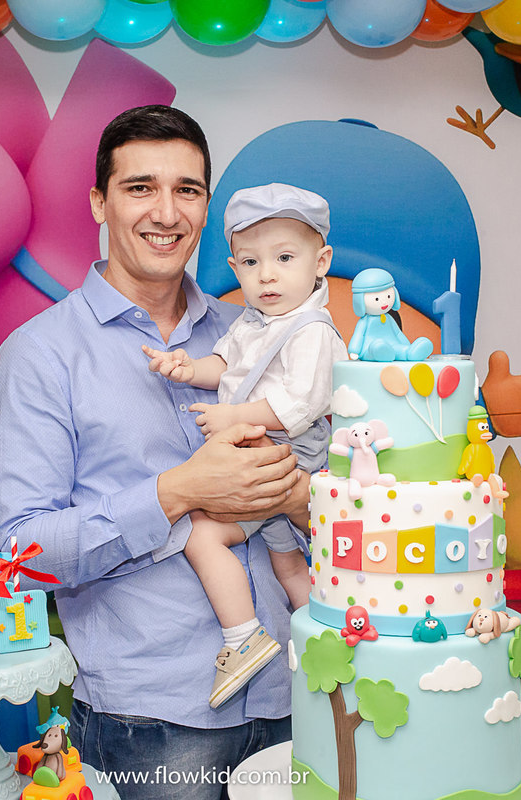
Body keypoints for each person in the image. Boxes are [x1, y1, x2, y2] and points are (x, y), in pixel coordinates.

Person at [0, 105, 306, 800]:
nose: (166, 212)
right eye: (140, 188)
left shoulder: (256, 333)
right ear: (99, 202)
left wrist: (300, 493)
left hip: (297, 693)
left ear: (207, 207)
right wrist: (176, 492)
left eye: (187, 190)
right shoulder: (41, 355)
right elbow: (15, 554)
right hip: (153, 722)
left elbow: (326, 487)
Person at [143, 183, 346, 709]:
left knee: (201, 534)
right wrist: (187, 368)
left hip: (287, 451)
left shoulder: (312, 331)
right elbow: (225, 366)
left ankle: (243, 636)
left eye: (284, 258)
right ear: (235, 267)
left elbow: (299, 404)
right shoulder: (253, 323)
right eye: (251, 263)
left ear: (321, 262)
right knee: (287, 565)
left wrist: (233, 416)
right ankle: (325, 641)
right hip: (259, 449)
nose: (267, 275)